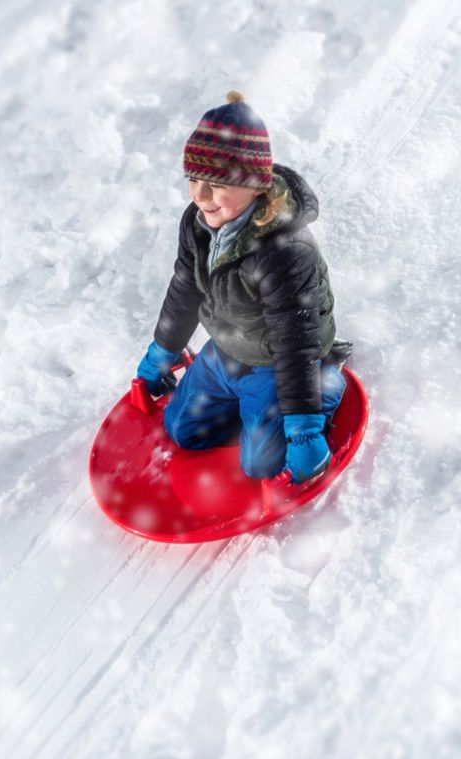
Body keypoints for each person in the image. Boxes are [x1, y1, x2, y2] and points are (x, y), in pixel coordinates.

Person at [136, 90, 347, 484]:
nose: (199, 197)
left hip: (278, 361)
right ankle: (248, 407)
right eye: (194, 179)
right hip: (228, 351)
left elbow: (293, 342)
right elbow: (186, 287)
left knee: (261, 465)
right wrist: (161, 352)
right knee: (182, 430)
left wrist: (302, 427)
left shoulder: (285, 250)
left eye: (215, 184)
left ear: (254, 185)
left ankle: (325, 381)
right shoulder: (198, 223)